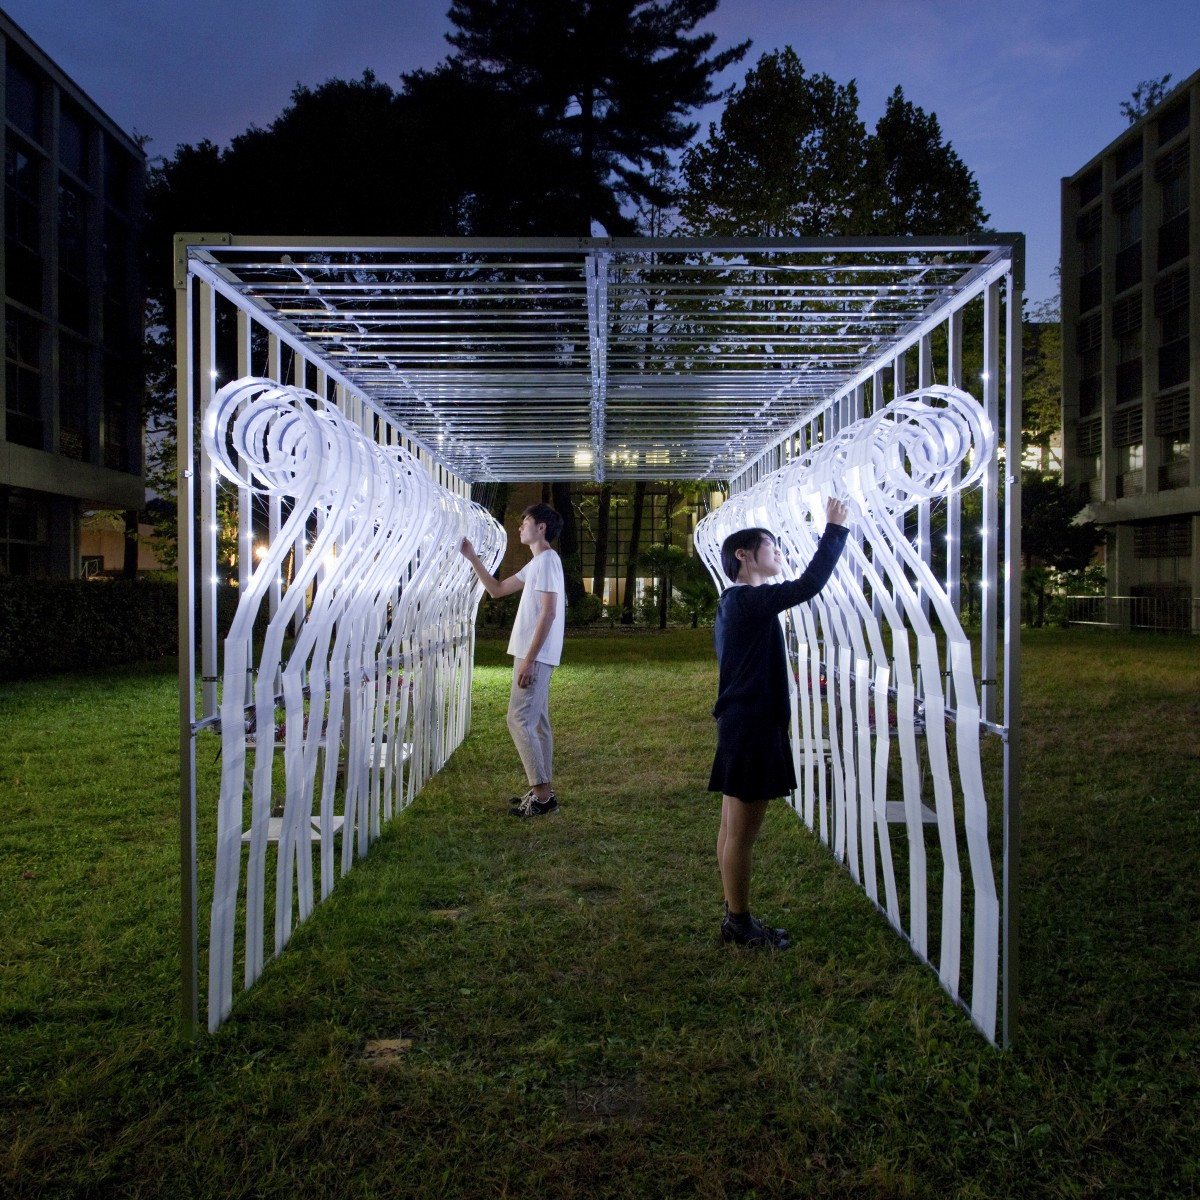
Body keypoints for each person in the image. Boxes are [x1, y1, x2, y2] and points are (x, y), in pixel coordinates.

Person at [709, 497, 850, 949]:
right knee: (741, 833)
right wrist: (833, 529)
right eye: (769, 545)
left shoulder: (732, 604)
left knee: (732, 828)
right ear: (743, 555)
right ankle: (740, 924)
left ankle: (735, 916)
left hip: (740, 721)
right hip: (752, 724)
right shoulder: (749, 601)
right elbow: (807, 585)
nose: (777, 551)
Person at [461, 503, 566, 817]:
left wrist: (530, 660)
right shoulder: (537, 564)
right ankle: (544, 792)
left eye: (526, 522)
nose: (520, 527)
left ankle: (542, 796)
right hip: (532, 653)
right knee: (538, 725)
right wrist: (472, 557)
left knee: (518, 721)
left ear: (542, 527)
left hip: (535, 654)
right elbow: (496, 589)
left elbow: (548, 612)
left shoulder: (547, 561)